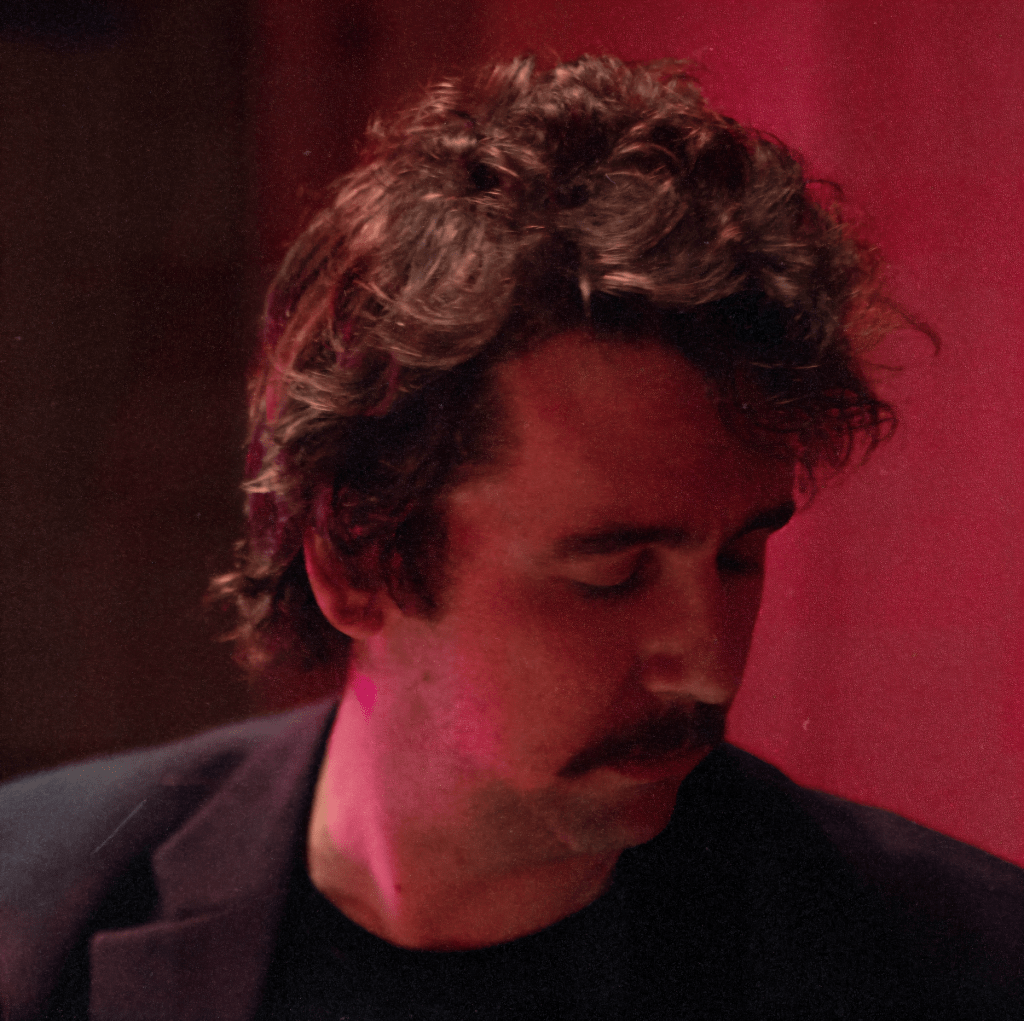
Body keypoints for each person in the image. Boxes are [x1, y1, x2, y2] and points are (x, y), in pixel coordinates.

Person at [1, 54, 1020, 1021]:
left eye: (739, 556)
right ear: (357, 556)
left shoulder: (956, 964)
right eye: (613, 573)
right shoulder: (30, 909)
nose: (708, 664)